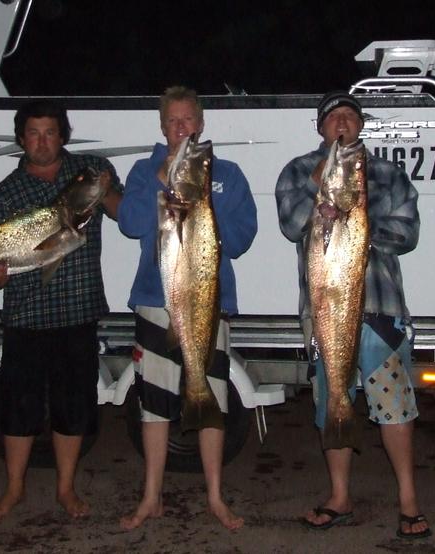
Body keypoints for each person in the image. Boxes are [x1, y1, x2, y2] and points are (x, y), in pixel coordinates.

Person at [275, 91, 431, 539]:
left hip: (380, 308)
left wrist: (354, 221)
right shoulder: (300, 171)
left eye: (350, 116)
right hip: (325, 310)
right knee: (333, 402)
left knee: (395, 406)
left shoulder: (387, 173)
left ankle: (409, 501)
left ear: (360, 125)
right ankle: (339, 496)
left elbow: (407, 233)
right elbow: (290, 224)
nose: (342, 123)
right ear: (321, 127)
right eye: (333, 118)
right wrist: (321, 191)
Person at [117, 86, 257, 531]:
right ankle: (151, 496)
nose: (181, 128)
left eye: (188, 120)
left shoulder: (228, 174)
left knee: (211, 399)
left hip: (208, 303)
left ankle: (216, 496)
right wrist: (163, 178)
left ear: (201, 123)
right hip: (157, 304)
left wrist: (201, 206)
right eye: (173, 122)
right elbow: (130, 224)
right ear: (163, 127)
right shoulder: (144, 171)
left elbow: (241, 239)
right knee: (153, 404)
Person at [0, 99, 123, 521]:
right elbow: (2, 261)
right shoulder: (5, 193)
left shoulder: (89, 170)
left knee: (73, 405)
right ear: (21, 139)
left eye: (50, 132)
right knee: (19, 406)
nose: (42, 141)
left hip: (78, 310)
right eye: (33, 133)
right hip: (26, 314)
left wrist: (105, 190)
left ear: (63, 135)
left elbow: (124, 216)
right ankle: (14, 488)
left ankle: (66, 488)